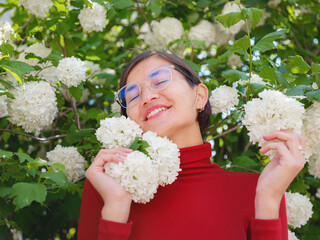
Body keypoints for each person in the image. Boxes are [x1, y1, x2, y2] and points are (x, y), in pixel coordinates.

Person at [78, 50, 306, 240]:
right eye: (132, 95)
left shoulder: (258, 190)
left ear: (199, 96)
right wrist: (116, 208)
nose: (147, 97)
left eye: (159, 80)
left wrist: (268, 198)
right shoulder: (107, 187)